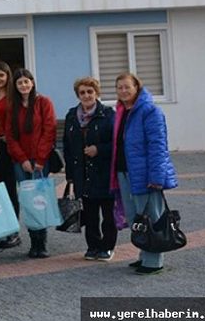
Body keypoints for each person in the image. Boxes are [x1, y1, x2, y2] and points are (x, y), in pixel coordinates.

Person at [110, 72, 178, 275]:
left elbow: (158, 146)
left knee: (152, 216)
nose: (123, 90)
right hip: (125, 171)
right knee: (136, 217)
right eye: (119, 87)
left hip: (145, 174)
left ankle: (154, 261)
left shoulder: (150, 111)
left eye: (127, 87)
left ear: (137, 87)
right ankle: (144, 255)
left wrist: (157, 177)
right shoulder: (122, 111)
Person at [5, 69, 57, 259]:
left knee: (39, 201)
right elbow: (10, 136)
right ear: (15, 86)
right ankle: (32, 240)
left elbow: (49, 130)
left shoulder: (43, 102)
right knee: (28, 201)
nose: (24, 86)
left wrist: (40, 159)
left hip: (40, 161)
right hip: (21, 162)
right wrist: (22, 159)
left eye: (26, 82)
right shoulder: (13, 107)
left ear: (32, 83)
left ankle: (41, 243)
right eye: (20, 83)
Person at [63, 77, 116, 262]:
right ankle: (93, 246)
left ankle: (107, 247)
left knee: (108, 215)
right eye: (82, 92)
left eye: (90, 92)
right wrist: (70, 175)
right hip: (82, 174)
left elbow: (117, 144)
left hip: (104, 172)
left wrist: (99, 149)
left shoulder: (108, 114)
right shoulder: (71, 116)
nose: (86, 95)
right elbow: (67, 148)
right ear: (78, 95)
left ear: (96, 93)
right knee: (90, 213)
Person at [0, 60, 21, 250]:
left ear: (7, 76)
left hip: (6, 147)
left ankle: (13, 232)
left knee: (9, 191)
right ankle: (0, 231)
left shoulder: (12, 98)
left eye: (1, 75)